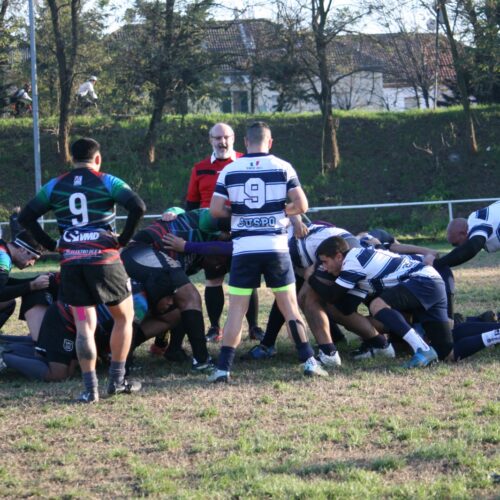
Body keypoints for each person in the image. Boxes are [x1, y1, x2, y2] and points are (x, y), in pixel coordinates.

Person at [19, 137, 146, 403]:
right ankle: (117, 380)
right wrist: (122, 239)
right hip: (105, 259)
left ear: (71, 159)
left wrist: (52, 244)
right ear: (97, 158)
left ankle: (90, 390)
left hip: (72, 262)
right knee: (124, 317)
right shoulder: (108, 181)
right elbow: (138, 206)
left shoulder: (55, 185)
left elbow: (25, 217)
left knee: (83, 326)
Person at [208, 121, 327, 382]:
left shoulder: (230, 169)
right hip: (275, 248)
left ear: (245, 143)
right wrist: (280, 212)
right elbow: (302, 205)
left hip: (243, 251)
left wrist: (239, 214)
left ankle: (222, 369)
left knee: (236, 311)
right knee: (290, 308)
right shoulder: (283, 166)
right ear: (270, 142)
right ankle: (308, 361)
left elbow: (215, 210)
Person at [315, 236, 454, 368]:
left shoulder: (352, 262)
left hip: (423, 279)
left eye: (325, 262)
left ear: (339, 256)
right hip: (432, 281)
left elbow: (332, 295)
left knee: (378, 305)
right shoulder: (358, 267)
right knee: (445, 352)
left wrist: (309, 276)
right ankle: (477, 332)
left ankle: (421, 348)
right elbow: (346, 308)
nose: (324, 268)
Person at [186, 123, 263, 343]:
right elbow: (191, 205)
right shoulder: (199, 168)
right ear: (210, 139)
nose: (222, 142)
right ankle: (214, 327)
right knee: (213, 280)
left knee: (248, 281)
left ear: (234, 138)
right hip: (212, 236)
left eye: (226, 137)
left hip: (243, 233)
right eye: (217, 138)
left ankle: (255, 327)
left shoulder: (246, 162)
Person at [0, 230, 52, 337]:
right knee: (8, 302)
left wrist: (34, 280)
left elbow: (4, 282)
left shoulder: (2, 248)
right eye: (33, 258)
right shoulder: (3, 258)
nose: (32, 264)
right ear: (23, 249)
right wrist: (31, 286)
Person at [426, 200, 500, 270]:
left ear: (463, 233)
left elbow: (473, 246)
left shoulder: (476, 221)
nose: (458, 248)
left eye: (456, 244)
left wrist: (437, 264)